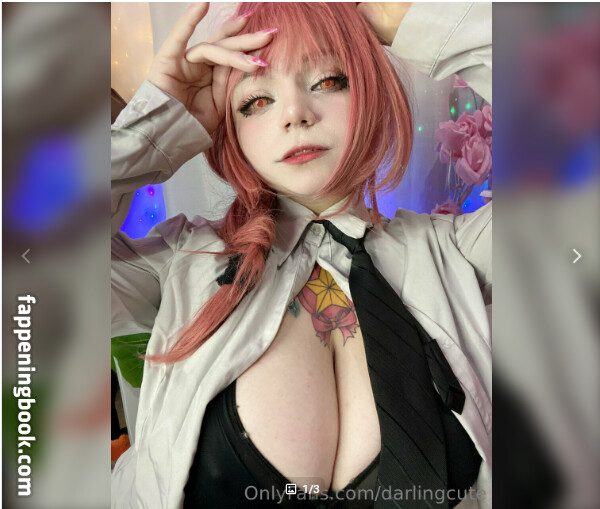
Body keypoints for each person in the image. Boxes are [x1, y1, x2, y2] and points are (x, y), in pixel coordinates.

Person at [111, 3, 492, 508]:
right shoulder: (179, 264)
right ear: (230, 128)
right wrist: (156, 128)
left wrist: (424, 26)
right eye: (256, 101)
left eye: (328, 81)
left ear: (370, 90)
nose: (295, 113)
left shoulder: (460, 252)